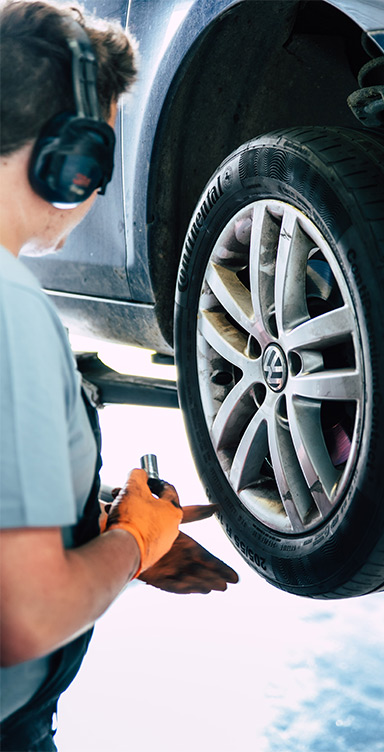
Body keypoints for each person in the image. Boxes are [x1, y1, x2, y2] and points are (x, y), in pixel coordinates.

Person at [0, 2, 238, 749]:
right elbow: (28, 617)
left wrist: (93, 522)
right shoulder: (9, 307)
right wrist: (134, 542)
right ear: (69, 158)